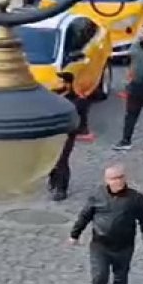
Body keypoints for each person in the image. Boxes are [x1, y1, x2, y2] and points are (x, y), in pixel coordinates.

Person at [71, 164, 143, 284]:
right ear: (106, 180)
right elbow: (85, 215)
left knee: (120, 278)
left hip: (124, 247)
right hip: (100, 245)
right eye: (113, 179)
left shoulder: (135, 198)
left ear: (125, 178)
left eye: (120, 177)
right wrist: (75, 234)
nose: (117, 182)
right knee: (99, 277)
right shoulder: (97, 195)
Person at [48, 72, 90, 201]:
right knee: (51, 159)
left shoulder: (77, 100)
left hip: (66, 133)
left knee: (62, 160)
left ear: (69, 84)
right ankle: (53, 179)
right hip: (51, 133)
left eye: (63, 82)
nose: (60, 85)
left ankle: (62, 189)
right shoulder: (54, 95)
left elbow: (80, 118)